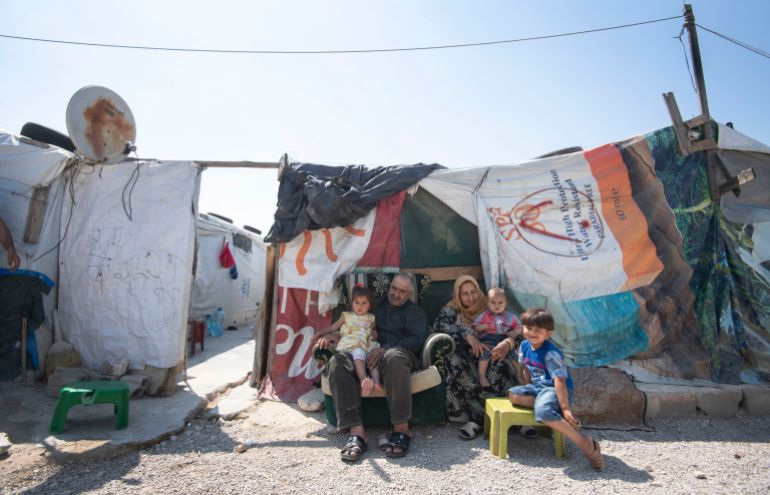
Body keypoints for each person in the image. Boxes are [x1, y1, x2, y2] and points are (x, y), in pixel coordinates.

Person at [317, 273, 428, 462]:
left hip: (398, 354)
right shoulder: (377, 305)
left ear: (409, 293)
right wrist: (335, 335)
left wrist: (384, 350)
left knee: (393, 357)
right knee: (338, 361)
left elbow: (416, 341)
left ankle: (402, 431)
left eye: (402, 291)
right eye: (394, 288)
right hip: (364, 352)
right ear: (389, 286)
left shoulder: (414, 312)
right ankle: (357, 433)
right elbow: (354, 323)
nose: (396, 293)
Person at [508, 308, 604, 471]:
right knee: (513, 394)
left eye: (537, 330)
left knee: (544, 411)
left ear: (548, 333)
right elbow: (525, 369)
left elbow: (559, 380)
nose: (532, 333)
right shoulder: (524, 346)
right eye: (528, 328)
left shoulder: (550, 353)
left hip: (554, 388)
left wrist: (566, 409)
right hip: (538, 388)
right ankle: (547, 407)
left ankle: (583, 441)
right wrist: (527, 386)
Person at [432, 275, 525, 440]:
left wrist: (508, 343)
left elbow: (518, 329)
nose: (470, 297)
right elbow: (440, 326)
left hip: (493, 352)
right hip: (466, 354)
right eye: (465, 294)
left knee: (498, 366)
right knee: (458, 363)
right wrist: (468, 335)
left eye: (473, 292)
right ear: (458, 296)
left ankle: (511, 416)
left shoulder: (492, 306)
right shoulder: (452, 309)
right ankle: (478, 418)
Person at [313, 285, 382, 396]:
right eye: (357, 302)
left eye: (364, 303)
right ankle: (363, 380)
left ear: (370, 305)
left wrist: (375, 334)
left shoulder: (371, 318)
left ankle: (377, 383)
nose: (360, 306)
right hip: (350, 345)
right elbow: (332, 328)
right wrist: (320, 333)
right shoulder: (346, 316)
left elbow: (374, 331)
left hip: (366, 345)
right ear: (351, 303)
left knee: (374, 360)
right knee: (358, 353)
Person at [473, 287, 521, 389]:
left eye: (500, 303)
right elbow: (475, 327)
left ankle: (519, 374)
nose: (497, 306)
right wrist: (482, 327)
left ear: (505, 303)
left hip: (503, 340)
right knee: (484, 354)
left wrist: (514, 332)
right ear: (487, 302)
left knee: (515, 355)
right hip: (488, 340)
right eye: (493, 302)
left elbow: (519, 327)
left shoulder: (510, 317)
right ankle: (482, 376)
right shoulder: (485, 315)